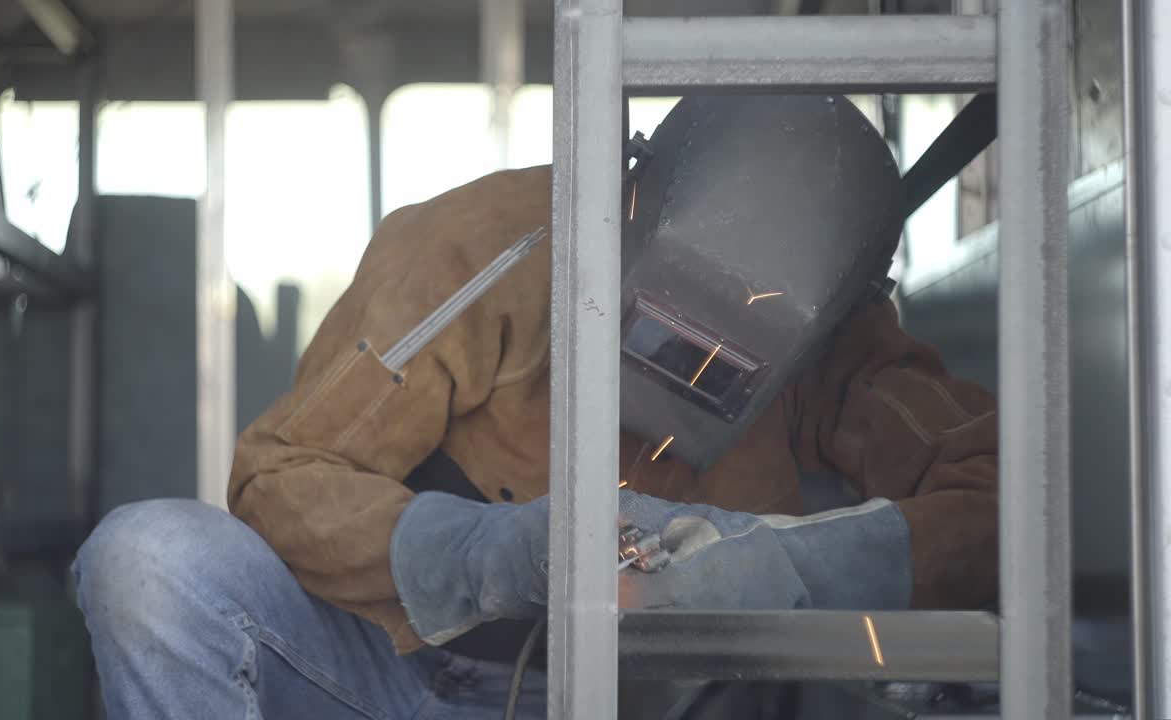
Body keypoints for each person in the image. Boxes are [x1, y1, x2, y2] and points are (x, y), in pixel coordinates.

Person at [72, 95, 997, 719]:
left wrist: (779, 570)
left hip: (661, 703)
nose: (693, 367)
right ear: (627, 209)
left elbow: (1002, 505)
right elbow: (279, 475)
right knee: (149, 561)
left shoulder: (839, 333)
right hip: (405, 683)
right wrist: (491, 553)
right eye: (672, 321)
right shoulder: (487, 246)